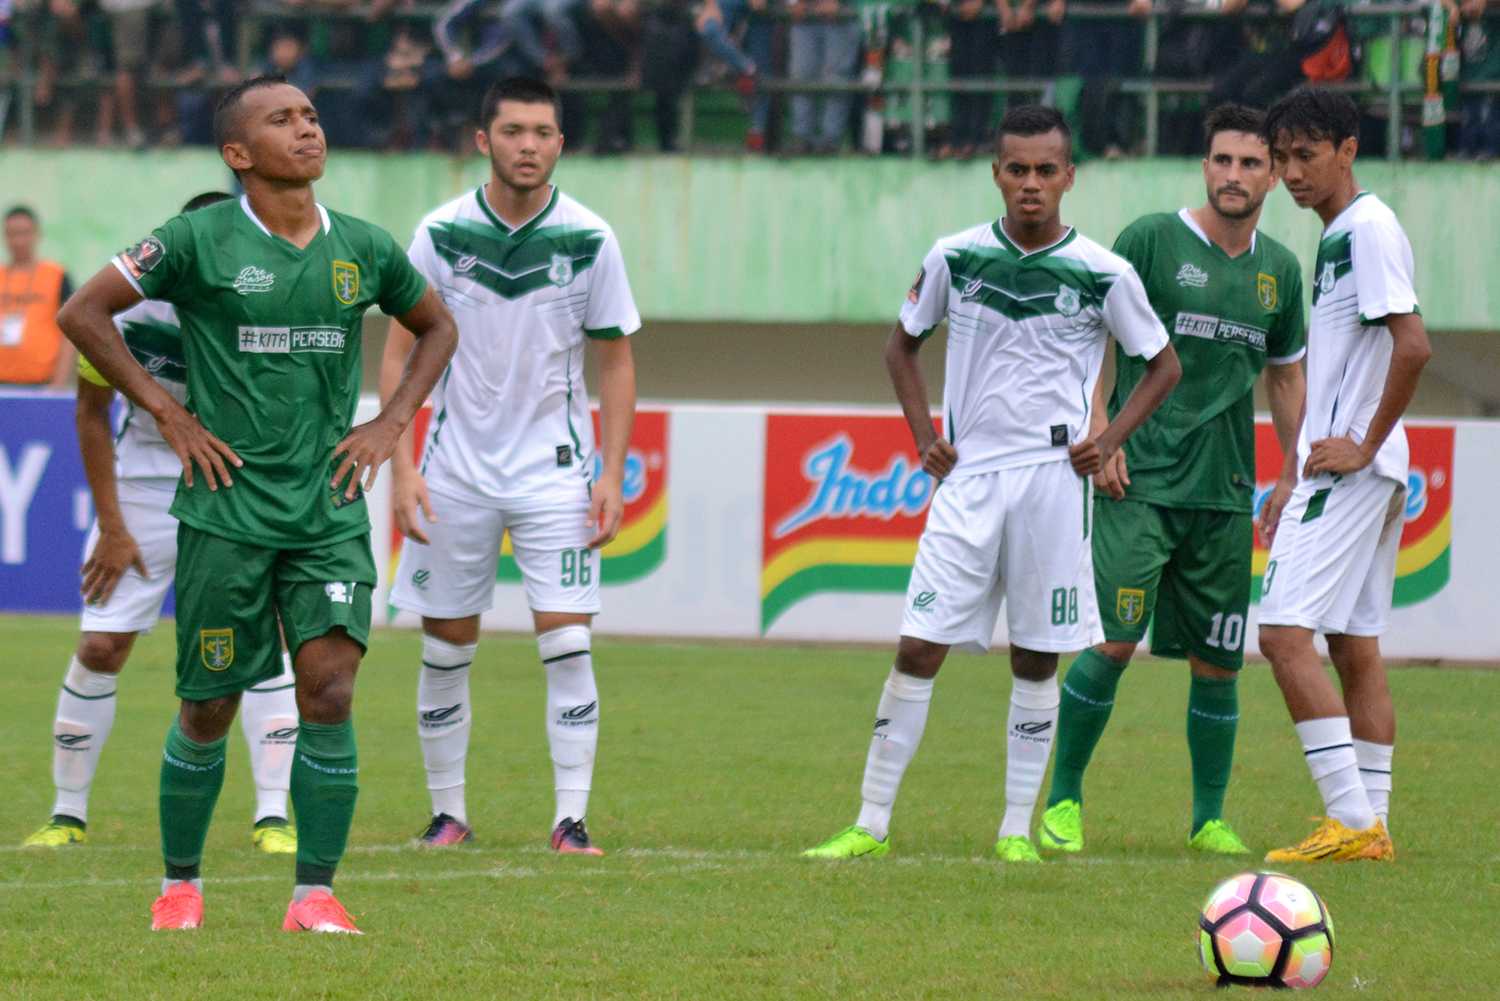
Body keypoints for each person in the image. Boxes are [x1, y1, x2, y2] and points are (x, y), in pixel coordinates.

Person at [57, 73, 459, 932]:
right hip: (224, 512)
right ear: (239, 154)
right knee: (208, 702)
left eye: (311, 114)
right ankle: (180, 885)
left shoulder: (364, 247)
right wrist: (166, 410)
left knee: (331, 688)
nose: (307, 129)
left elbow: (438, 327)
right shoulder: (197, 238)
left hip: (327, 507)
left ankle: (313, 892)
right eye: (282, 120)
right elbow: (84, 313)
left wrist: (390, 422)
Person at [803, 105, 1181, 863]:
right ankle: (870, 822)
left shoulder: (1106, 271)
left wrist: (1106, 440)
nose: (1031, 184)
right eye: (1018, 170)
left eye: (1046, 170)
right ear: (997, 174)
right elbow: (900, 347)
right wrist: (924, 437)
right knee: (918, 645)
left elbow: (1164, 365)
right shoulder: (956, 256)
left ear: (1070, 177)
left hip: (1051, 479)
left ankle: (1015, 828)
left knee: (1036, 656)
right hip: (971, 473)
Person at [1037, 104, 1307, 857]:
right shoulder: (1151, 241)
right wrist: (1101, 426)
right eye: (1222, 160)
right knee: (1115, 641)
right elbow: (1096, 335)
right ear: (1204, 166)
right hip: (1138, 480)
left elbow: (1285, 377)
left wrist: (1290, 472)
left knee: (1220, 660)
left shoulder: (1281, 271)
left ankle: (1209, 817)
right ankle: (1062, 799)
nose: (1233, 175)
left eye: (1251, 164)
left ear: (1274, 178)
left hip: (1223, 492)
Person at [384, 77, 638, 856]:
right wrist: (401, 463)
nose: (528, 144)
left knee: (567, 644)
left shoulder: (590, 237)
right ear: (482, 139)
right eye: (513, 130)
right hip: (452, 469)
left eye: (543, 132)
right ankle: (448, 813)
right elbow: (398, 349)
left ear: (560, 143)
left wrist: (610, 473)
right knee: (446, 646)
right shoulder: (439, 231)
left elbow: (618, 361)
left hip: (555, 473)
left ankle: (570, 819)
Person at [23, 192, 300, 855]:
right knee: (100, 647)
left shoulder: (268, 304)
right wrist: (112, 525)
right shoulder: (132, 309)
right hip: (145, 488)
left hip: (238, 488)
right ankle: (66, 814)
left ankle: (272, 817)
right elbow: (91, 412)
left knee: (263, 642)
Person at [1256, 85, 1429, 863]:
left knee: (1284, 634)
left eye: (1307, 155)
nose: (1291, 172)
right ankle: (1372, 824)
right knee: (1354, 644)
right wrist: (1295, 472)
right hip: (1353, 472)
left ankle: (1349, 817)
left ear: (1348, 151)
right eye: (1282, 157)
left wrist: (1359, 443)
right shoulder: (1336, 237)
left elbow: (1414, 344)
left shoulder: (1367, 228)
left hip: (1356, 471)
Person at [0, 206, 75, 388]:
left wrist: (58, 384)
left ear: (36, 234)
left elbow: (70, 332)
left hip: (42, 385)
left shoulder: (56, 275)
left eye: (24, 233)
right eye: (12, 234)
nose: (18, 241)